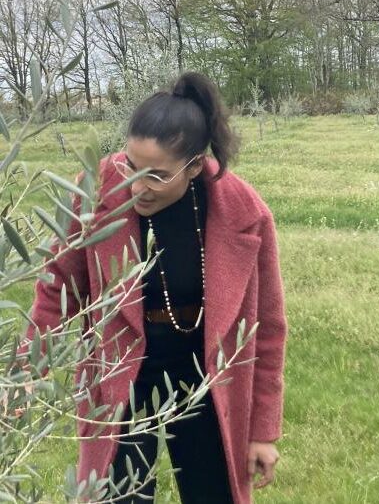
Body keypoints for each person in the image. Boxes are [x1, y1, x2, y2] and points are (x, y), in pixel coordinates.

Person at [24, 72, 286, 503]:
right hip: (120, 373)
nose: (136, 188)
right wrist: (31, 363)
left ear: (196, 166)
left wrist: (262, 431)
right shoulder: (96, 191)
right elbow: (58, 285)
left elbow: (269, 330)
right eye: (130, 166)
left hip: (204, 375)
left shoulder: (246, 214)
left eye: (157, 176)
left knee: (213, 493)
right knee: (117, 495)